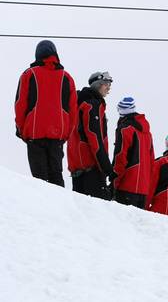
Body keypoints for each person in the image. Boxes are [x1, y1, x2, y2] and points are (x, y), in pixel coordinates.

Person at [14, 40, 78, 187]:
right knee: (56, 174)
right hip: (58, 135)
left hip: (34, 134)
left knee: (39, 180)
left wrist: (21, 129)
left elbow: (20, 104)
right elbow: (72, 109)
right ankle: (61, 206)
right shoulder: (67, 77)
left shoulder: (28, 74)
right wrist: (67, 132)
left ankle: (42, 208)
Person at [67, 72, 115, 199]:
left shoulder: (76, 104)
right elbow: (95, 137)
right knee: (97, 214)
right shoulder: (93, 105)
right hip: (91, 168)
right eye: (106, 84)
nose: (109, 87)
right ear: (97, 85)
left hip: (77, 168)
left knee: (82, 213)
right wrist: (107, 168)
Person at [111, 97, 155, 209]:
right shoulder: (147, 133)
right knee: (137, 226)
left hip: (126, 187)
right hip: (143, 190)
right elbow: (151, 162)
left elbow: (120, 158)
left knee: (122, 224)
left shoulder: (125, 129)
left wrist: (114, 181)